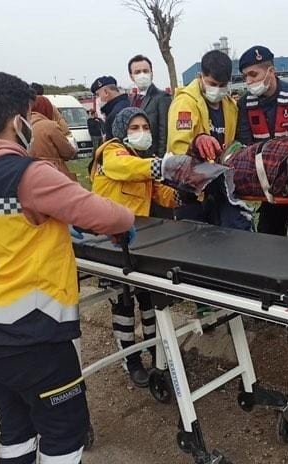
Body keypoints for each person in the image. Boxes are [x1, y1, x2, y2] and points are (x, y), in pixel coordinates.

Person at [0, 70, 134, 464]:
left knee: (17, 430)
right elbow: (110, 216)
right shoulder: (27, 174)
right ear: (18, 121)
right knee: (64, 433)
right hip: (30, 334)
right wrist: (122, 221)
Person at [90, 106, 178, 387]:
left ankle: (156, 351)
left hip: (141, 239)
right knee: (124, 303)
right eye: (135, 128)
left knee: (148, 299)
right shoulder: (111, 153)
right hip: (112, 241)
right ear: (121, 132)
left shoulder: (141, 159)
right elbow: (125, 168)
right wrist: (161, 165)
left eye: (146, 127)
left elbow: (159, 193)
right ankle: (131, 359)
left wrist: (185, 193)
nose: (142, 133)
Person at [235, 45, 288, 239]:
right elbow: (245, 146)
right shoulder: (244, 104)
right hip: (268, 188)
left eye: (253, 75)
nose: (248, 81)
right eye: (245, 77)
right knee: (268, 238)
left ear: (271, 71)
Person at [167, 50, 238, 223]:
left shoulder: (231, 106)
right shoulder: (185, 103)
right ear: (201, 77)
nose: (218, 89)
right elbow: (178, 147)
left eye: (222, 85)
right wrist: (198, 142)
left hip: (220, 187)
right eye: (213, 83)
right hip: (190, 191)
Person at [128, 55, 172, 157]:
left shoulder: (162, 98)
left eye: (145, 71)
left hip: (154, 157)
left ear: (151, 73)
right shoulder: (131, 100)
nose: (142, 75)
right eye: (137, 72)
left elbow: (164, 132)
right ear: (131, 76)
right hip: (135, 157)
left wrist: (160, 159)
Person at [28, 95, 77, 181]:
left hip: (32, 172)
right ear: (48, 109)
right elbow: (67, 152)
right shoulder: (50, 126)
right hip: (54, 171)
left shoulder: (24, 126)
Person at [91, 76, 129, 141]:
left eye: (97, 95)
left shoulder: (114, 115)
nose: (97, 98)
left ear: (106, 92)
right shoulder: (130, 103)